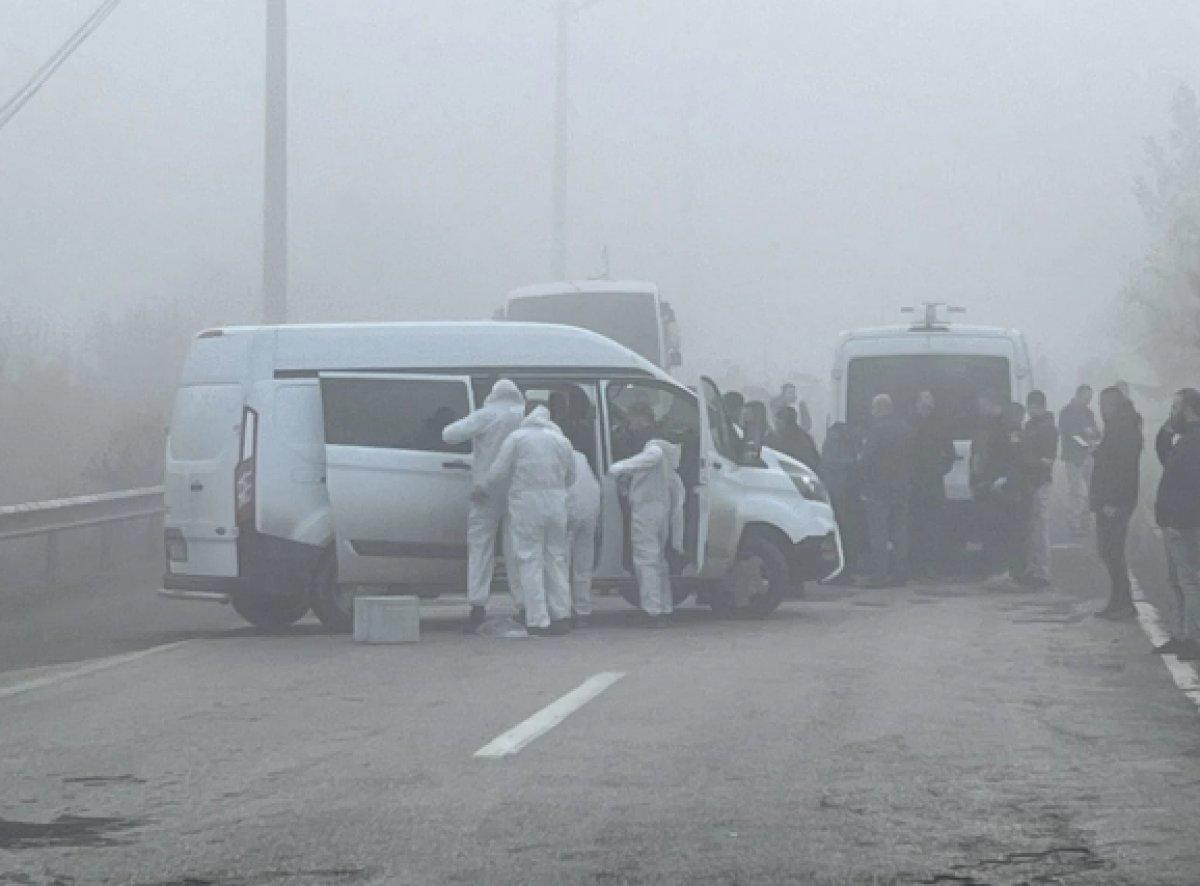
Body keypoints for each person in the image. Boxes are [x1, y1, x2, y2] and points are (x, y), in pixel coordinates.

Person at [475, 406, 576, 636]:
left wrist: (483, 488)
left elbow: (498, 472)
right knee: (556, 559)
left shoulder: (517, 438)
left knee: (530, 559)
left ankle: (537, 619)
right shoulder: (562, 441)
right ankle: (561, 616)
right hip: (557, 504)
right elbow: (572, 476)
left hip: (527, 504)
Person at [441, 379, 525, 633]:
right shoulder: (524, 417)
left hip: (484, 492)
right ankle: (522, 605)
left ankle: (478, 606)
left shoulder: (486, 415)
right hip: (516, 491)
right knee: (516, 549)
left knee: (480, 548)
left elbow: (449, 435)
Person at [609, 438, 686, 626]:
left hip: (645, 513)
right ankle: (664, 608)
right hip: (661, 514)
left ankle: (653, 612)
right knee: (659, 562)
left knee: (646, 561)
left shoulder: (655, 451)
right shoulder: (667, 466)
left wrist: (616, 468)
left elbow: (646, 459)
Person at [1152, 388, 1200, 658]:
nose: (1172, 412)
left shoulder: (1194, 441)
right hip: (1175, 522)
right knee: (1176, 581)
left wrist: (1177, 520)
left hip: (1184, 524)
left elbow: (1190, 486)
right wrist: (1167, 431)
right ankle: (1180, 634)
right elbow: (1168, 463)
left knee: (1189, 581)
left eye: (1175, 407)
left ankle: (1191, 638)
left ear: (1188, 408)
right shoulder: (1187, 439)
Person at [1090, 387, 1143, 620]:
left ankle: (1123, 601)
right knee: (1109, 550)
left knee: (1112, 550)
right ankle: (1119, 599)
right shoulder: (1120, 427)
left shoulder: (1123, 429)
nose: (1102, 409)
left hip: (1115, 501)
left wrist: (1112, 501)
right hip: (1110, 500)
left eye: (1105, 404)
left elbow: (1122, 470)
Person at [858, 394, 916, 588]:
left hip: (879, 488)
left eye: (874, 409)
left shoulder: (877, 431)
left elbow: (867, 459)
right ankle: (901, 574)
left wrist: (865, 481)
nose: (872, 413)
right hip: (902, 487)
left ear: (880, 409)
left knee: (879, 533)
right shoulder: (905, 429)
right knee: (900, 531)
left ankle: (879, 575)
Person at [971, 398, 1028, 581]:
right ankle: (997, 570)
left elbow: (1016, 457)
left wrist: (1006, 479)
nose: (984, 409)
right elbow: (978, 458)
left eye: (987, 405)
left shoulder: (1010, 429)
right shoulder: (986, 429)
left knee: (1008, 530)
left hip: (1003, 487)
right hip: (989, 485)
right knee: (993, 529)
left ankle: (1011, 572)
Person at [909, 391, 956, 579]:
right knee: (914, 525)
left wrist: (940, 469)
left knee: (933, 526)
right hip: (914, 482)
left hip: (932, 482)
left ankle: (931, 566)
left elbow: (950, 453)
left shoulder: (939, 426)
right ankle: (915, 566)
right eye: (925, 402)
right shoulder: (909, 424)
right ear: (917, 403)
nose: (928, 406)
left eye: (931, 403)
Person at [1019, 390, 1058, 588]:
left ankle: (1043, 571)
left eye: (1033, 407)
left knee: (1040, 527)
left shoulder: (1048, 428)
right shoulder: (1030, 426)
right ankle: (1033, 568)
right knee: (1032, 527)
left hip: (1040, 482)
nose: (1030, 410)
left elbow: (1046, 461)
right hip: (1030, 481)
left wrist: (1028, 461)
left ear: (1040, 407)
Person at [819, 422, 863, 581]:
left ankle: (840, 569)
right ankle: (850, 566)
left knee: (839, 531)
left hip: (835, 492)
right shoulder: (850, 444)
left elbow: (826, 464)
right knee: (849, 530)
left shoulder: (832, 442)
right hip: (848, 493)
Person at [566, 445, 602, 627]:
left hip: (570, 511)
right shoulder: (580, 455)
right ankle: (583, 610)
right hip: (590, 511)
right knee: (583, 565)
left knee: (561, 565)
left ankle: (562, 610)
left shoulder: (554, 454)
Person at [1059, 385, 1099, 535]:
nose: (1089, 401)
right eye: (1087, 398)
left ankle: (1085, 521)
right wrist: (1086, 437)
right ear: (1078, 395)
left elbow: (1096, 432)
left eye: (1090, 398)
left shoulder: (1088, 413)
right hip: (1074, 457)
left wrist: (1091, 436)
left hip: (1088, 455)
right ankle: (1074, 522)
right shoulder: (1066, 412)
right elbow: (1070, 433)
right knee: (1076, 491)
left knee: (1090, 491)